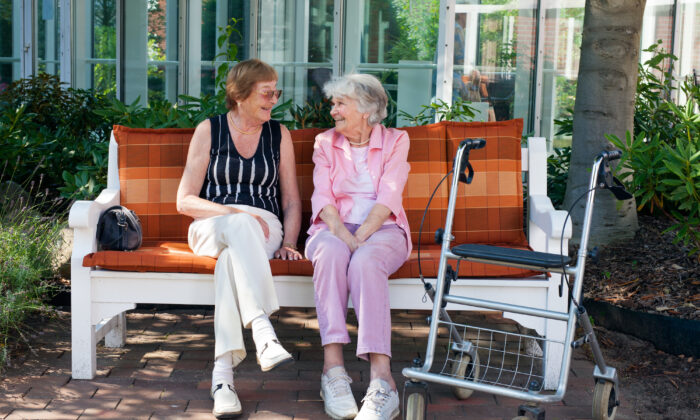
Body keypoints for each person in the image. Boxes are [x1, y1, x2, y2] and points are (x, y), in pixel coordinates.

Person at [176, 59, 302, 418]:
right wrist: (234, 213)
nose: (274, 99)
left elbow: (291, 201)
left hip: (264, 229)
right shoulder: (209, 130)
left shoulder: (279, 135)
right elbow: (184, 201)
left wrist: (289, 243)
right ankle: (262, 330)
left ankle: (223, 380)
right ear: (240, 94)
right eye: (267, 93)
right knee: (240, 227)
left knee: (231, 262)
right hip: (212, 224)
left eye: (276, 92)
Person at [305, 74, 412, 420]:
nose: (332, 110)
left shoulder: (396, 141)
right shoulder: (325, 142)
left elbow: (389, 195)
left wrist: (361, 237)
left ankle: (383, 381)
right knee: (330, 253)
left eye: (340, 104)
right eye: (333, 103)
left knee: (366, 262)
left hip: (384, 229)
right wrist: (344, 236)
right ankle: (333, 371)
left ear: (366, 110)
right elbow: (322, 196)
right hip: (333, 227)